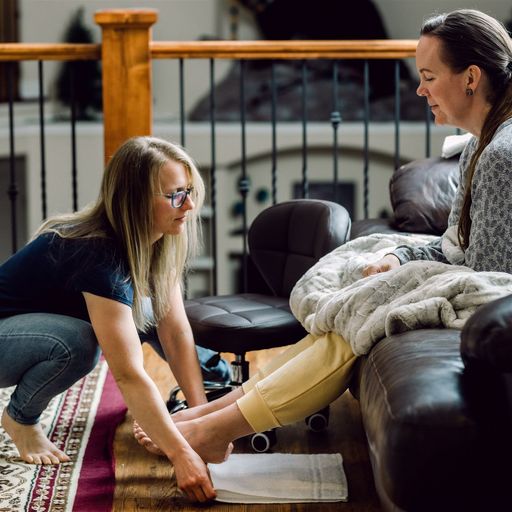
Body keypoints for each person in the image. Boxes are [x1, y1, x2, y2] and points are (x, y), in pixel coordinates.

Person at [134, 8, 512, 463]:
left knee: (355, 321)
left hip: (496, 306)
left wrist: (401, 277)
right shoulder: (480, 144)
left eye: (429, 77)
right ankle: (214, 415)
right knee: (350, 312)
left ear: (470, 77)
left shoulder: (500, 154)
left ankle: (215, 427)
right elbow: (459, 245)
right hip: (484, 288)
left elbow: (489, 276)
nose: (419, 89)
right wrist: (399, 259)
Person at [0, 136, 223, 502]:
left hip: (28, 331)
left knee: (150, 315)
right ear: (135, 201)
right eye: (174, 195)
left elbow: (175, 332)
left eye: (188, 191)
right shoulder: (98, 253)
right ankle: (20, 418)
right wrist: (182, 454)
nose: (189, 205)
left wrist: (202, 421)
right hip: (5, 339)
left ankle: (213, 384)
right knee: (80, 343)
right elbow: (128, 374)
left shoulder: (159, 240)